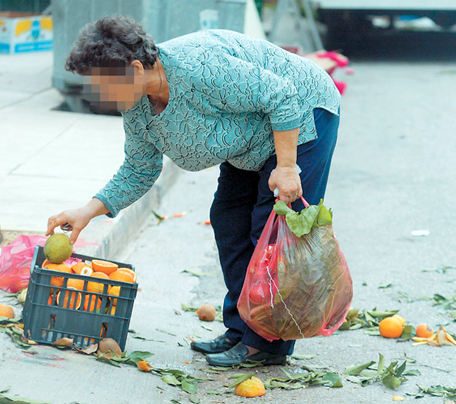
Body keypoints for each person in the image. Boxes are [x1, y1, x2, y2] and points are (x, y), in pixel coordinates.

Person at [46, 15, 341, 367]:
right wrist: (88, 211)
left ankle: (266, 343)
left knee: (269, 229)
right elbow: (138, 169)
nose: (97, 94)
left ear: (136, 69)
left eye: (101, 84)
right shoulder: (137, 109)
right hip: (247, 138)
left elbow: (282, 95)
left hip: (303, 115)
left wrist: (288, 167)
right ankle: (242, 329)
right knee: (228, 218)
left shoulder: (199, 66)